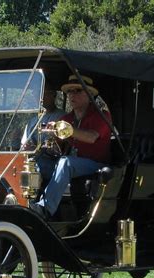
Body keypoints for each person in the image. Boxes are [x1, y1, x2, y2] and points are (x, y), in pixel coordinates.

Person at [30, 75, 112, 218]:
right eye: (70, 92)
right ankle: (25, 204)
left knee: (65, 163)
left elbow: (91, 137)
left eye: (78, 91)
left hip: (95, 165)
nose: (72, 95)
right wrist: (53, 135)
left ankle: (44, 209)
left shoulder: (101, 115)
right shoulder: (66, 119)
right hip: (69, 163)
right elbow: (58, 149)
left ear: (89, 94)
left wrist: (68, 130)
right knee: (36, 164)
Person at [21, 88, 66, 180]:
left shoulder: (62, 117)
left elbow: (59, 148)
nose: (41, 97)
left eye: (45, 93)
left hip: (50, 162)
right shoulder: (33, 120)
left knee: (34, 169)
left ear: (54, 95)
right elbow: (24, 144)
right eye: (37, 93)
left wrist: (38, 149)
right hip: (30, 160)